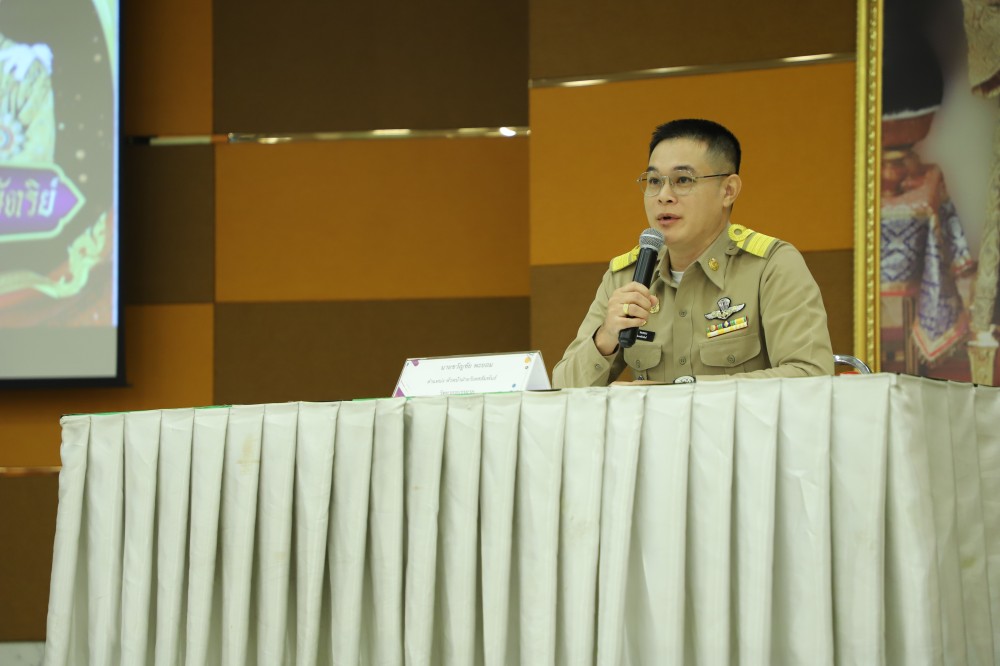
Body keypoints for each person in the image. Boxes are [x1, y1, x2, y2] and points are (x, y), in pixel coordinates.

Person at [552, 119, 834, 388]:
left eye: (683, 180)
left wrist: (685, 390)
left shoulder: (771, 266)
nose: (664, 195)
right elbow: (562, 390)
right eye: (654, 181)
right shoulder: (626, 277)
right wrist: (605, 338)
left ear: (728, 190)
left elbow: (810, 376)